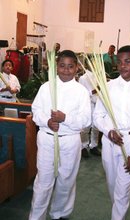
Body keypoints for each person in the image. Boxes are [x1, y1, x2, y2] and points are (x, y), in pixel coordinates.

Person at [29, 50, 91, 220]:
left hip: (70, 140)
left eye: (70, 66)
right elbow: (36, 111)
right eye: (62, 66)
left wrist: (66, 118)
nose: (66, 70)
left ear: (76, 68)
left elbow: (86, 120)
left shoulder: (81, 91)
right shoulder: (46, 87)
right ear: (56, 67)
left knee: (66, 180)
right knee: (43, 181)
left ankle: (60, 213)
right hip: (47, 138)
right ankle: (36, 216)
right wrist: (47, 121)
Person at [93, 45, 130, 220]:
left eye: (128, 61)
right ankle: (118, 211)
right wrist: (108, 130)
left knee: (122, 191)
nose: (122, 66)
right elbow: (98, 116)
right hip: (110, 143)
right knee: (113, 187)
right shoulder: (108, 87)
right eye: (119, 62)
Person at [78, 70, 101, 158]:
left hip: (98, 103)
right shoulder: (83, 78)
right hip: (88, 104)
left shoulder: (99, 75)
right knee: (86, 126)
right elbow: (82, 94)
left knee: (96, 126)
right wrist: (96, 89)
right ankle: (83, 146)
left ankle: (94, 146)